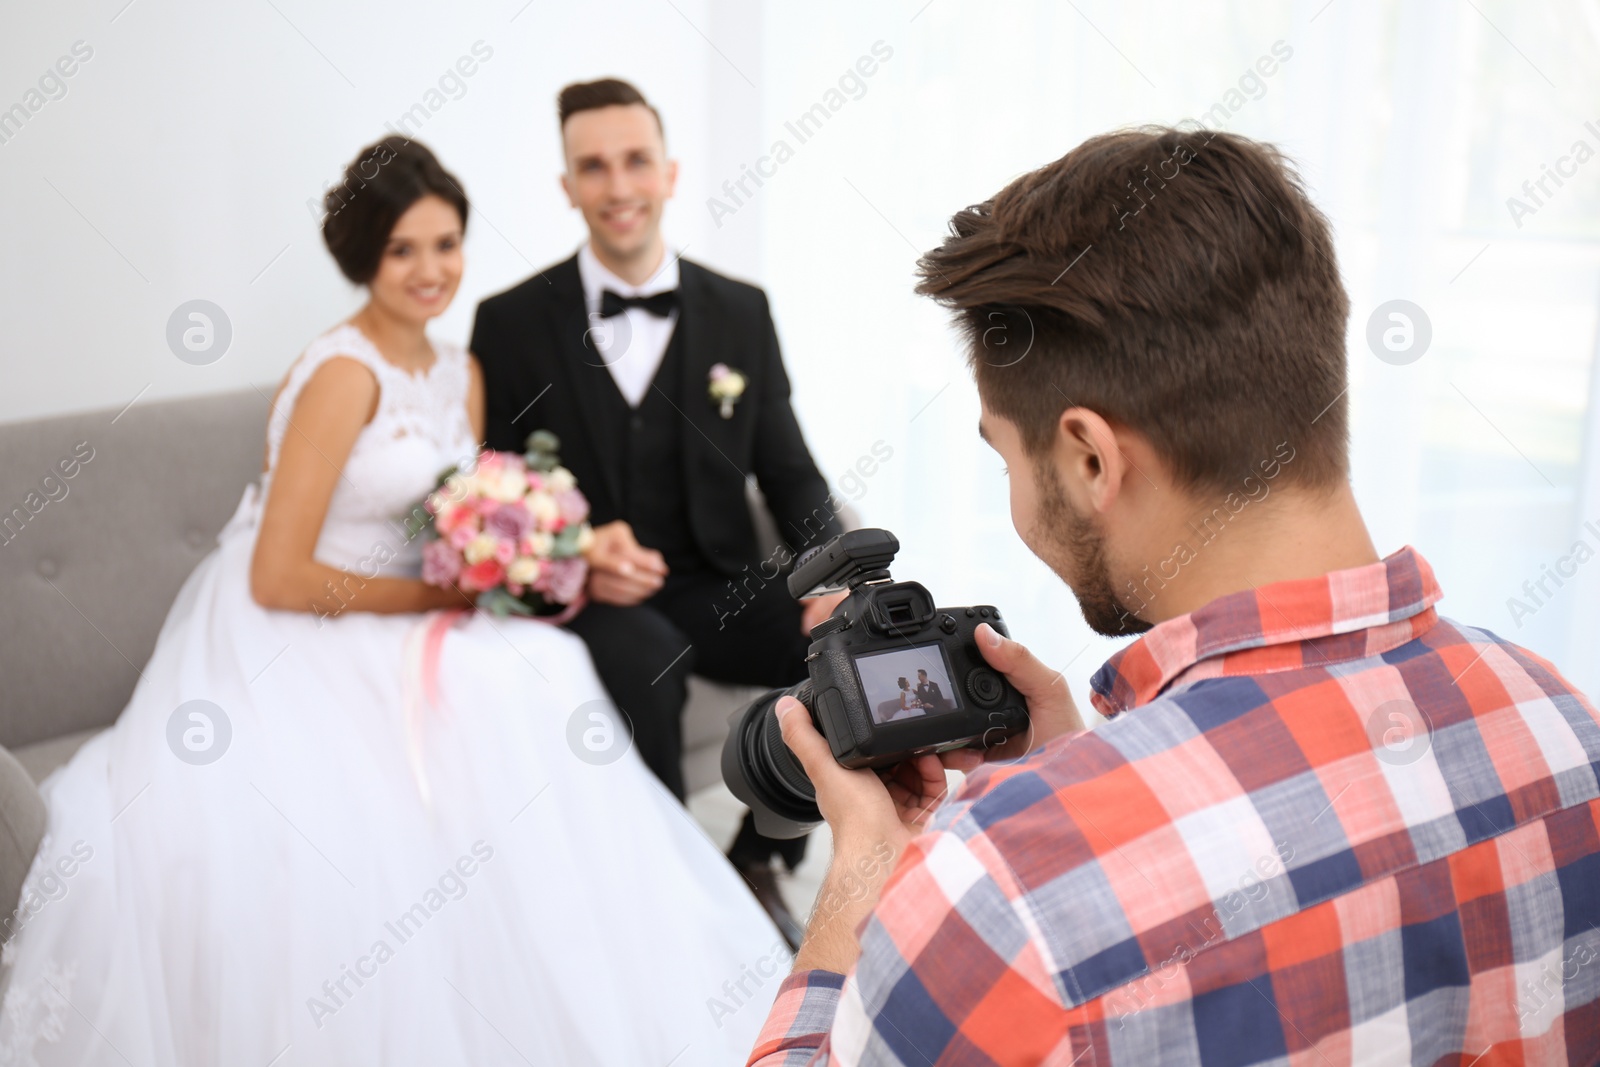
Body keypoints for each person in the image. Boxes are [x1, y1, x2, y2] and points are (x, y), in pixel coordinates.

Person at [749, 127, 1600, 1064]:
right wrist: (1089, 773)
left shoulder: (999, 897)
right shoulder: (1564, 726)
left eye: (1005, 457)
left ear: (1088, 458)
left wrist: (862, 885)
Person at [0, 137, 781, 1067]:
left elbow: (470, 508)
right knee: (421, 762)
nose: (430, 270)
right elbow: (277, 574)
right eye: (403, 249)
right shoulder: (343, 372)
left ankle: (587, 961)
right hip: (301, 621)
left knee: (549, 672)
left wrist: (537, 546)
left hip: (421, 607)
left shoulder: (461, 369)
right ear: (363, 256)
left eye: (446, 244)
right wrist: (439, 593)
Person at [470, 78, 844, 947]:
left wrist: (842, 581)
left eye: (636, 160)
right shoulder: (510, 323)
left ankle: (759, 854)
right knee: (647, 664)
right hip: (596, 597)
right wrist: (575, 549)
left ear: (670, 173)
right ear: (566, 185)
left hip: (713, 573)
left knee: (847, 649)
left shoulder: (741, 312)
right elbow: (488, 501)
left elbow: (791, 473)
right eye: (592, 166)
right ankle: (665, 904)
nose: (618, 185)